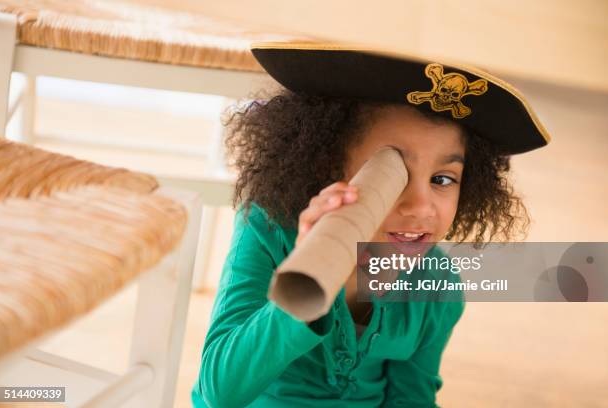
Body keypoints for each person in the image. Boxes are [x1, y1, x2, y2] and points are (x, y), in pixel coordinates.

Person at [191, 41, 550, 407]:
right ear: (326, 167)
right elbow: (218, 391)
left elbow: (410, 398)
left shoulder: (437, 283)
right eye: (393, 175)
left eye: (442, 179)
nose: (419, 206)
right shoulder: (266, 226)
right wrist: (319, 271)